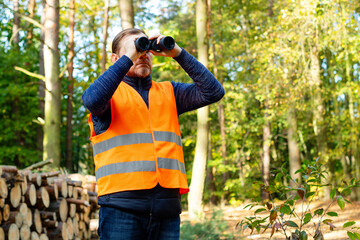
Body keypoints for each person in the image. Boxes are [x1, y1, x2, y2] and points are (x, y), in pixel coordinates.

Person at [82, 28, 225, 240]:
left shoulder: (170, 92)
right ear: (116, 59)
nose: (142, 55)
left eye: (146, 50)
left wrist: (178, 53)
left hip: (166, 212)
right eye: (135, 49)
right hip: (121, 211)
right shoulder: (109, 96)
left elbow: (213, 91)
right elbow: (91, 100)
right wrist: (129, 58)